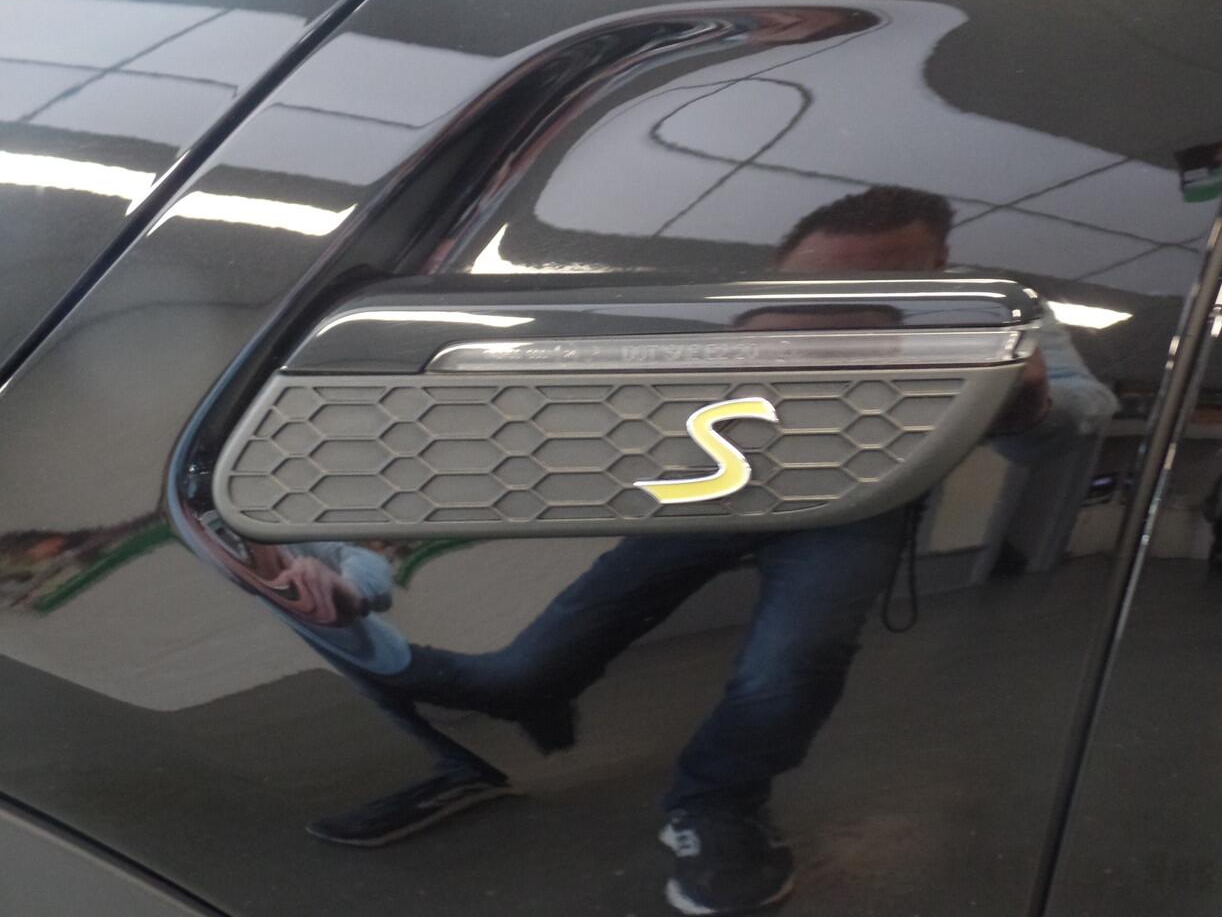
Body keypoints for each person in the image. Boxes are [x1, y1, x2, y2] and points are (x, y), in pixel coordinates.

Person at [311, 186, 1118, 915]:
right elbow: (604, 417)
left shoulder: (992, 310)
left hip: (859, 503)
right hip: (714, 483)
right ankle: (472, 708)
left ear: (936, 268)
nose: (827, 310)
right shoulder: (732, 304)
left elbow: (1075, 416)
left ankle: (717, 802)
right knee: (547, 652)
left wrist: (1027, 404)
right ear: (781, 267)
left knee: (794, 659)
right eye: (809, 289)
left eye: (867, 291)